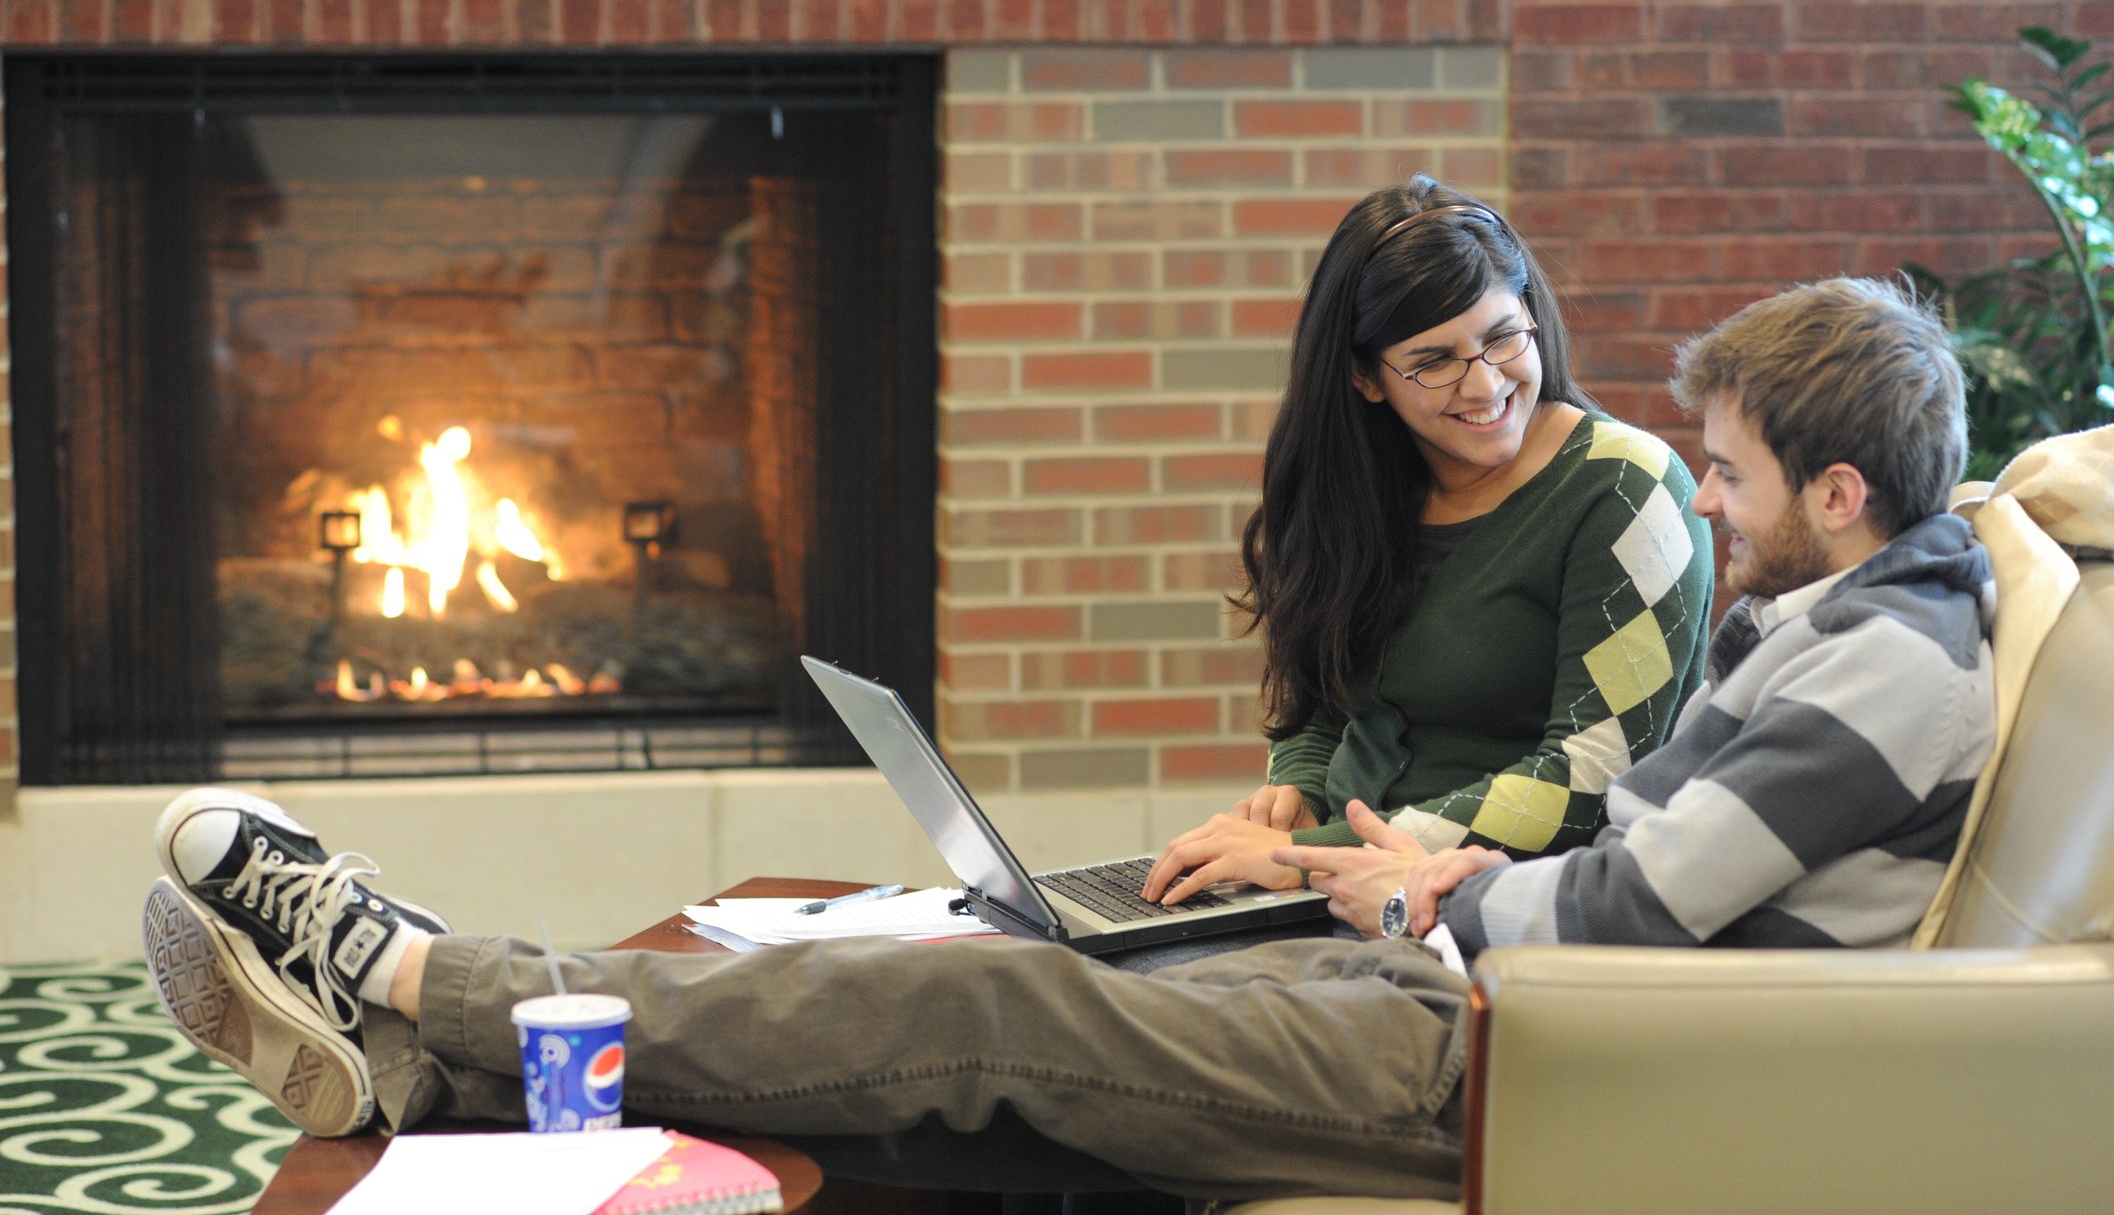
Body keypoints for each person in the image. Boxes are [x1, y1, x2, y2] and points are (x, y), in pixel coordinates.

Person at [142, 277, 1992, 1205]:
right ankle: (438, 1076)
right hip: (1479, 990)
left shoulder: (1882, 671)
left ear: (1834, 489)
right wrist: (1414, 876)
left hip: (1517, 1068)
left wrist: (1424, 894)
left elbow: (1636, 915)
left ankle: (416, 978)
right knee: (997, 965)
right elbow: (1624, 876)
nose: (1715, 500)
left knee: (993, 1015)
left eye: (1739, 474)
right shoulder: (1839, 624)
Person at [1141, 175, 1715, 912]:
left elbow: (1593, 777)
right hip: (1332, 890)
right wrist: (1294, 790)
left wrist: (1313, 855)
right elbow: (1322, 705)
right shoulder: (1355, 486)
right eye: (1435, 361)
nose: (1484, 385)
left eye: (1503, 337)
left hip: (1484, 907)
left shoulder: (1629, 489)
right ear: (1365, 378)